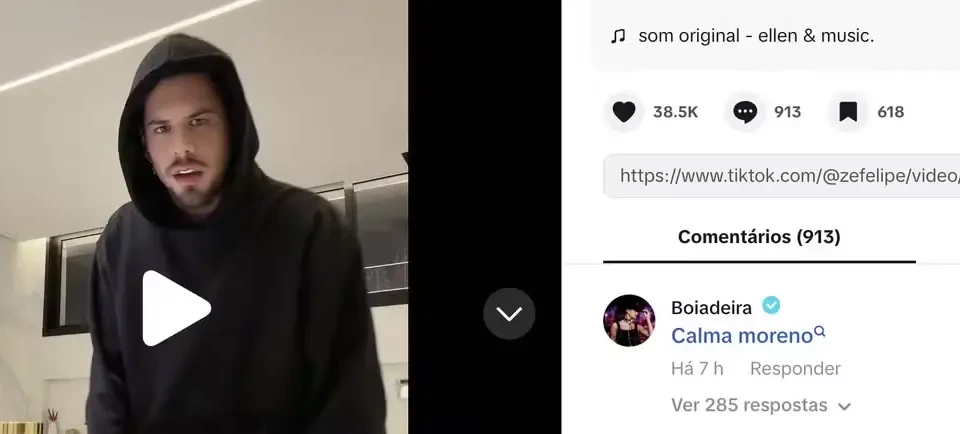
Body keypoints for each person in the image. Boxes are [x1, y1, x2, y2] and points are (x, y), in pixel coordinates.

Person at [85, 33, 387, 434]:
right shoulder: (121, 242)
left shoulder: (312, 231)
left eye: (199, 122)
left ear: (233, 125)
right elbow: (108, 394)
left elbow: (348, 404)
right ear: (143, 143)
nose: (182, 147)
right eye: (162, 129)